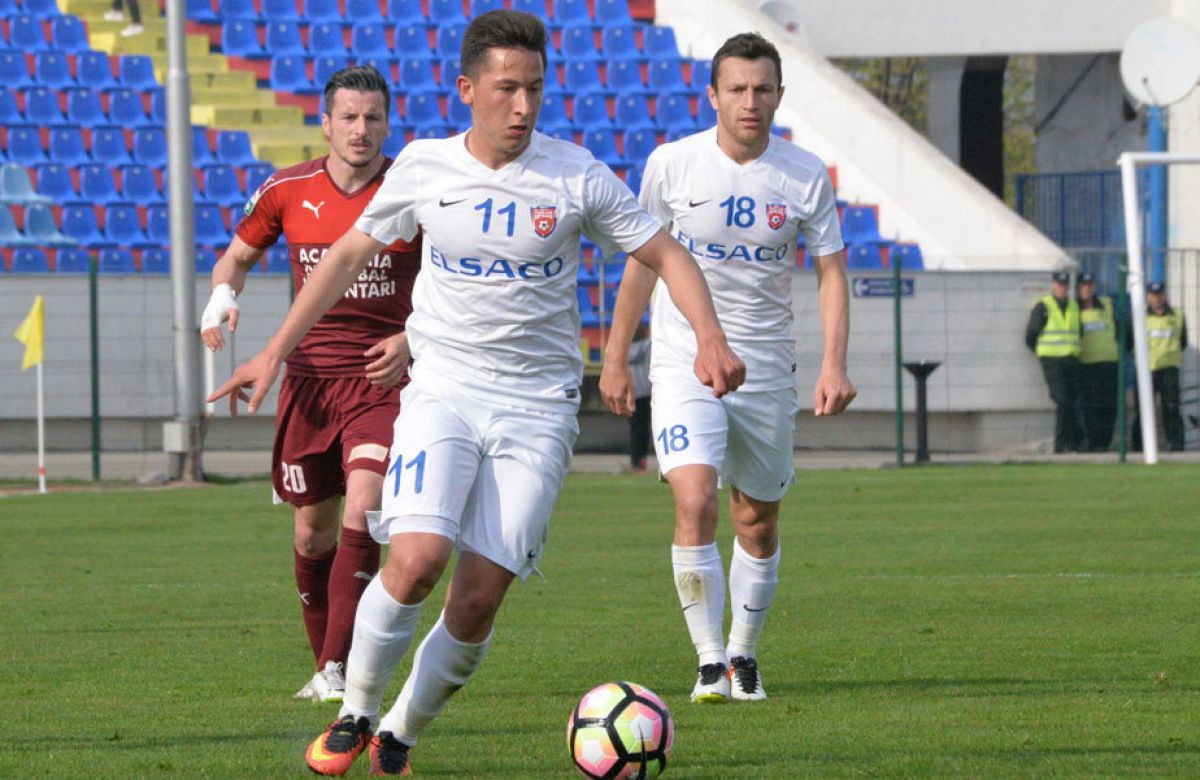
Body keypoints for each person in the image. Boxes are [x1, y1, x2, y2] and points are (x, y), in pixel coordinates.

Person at [208, 10, 744, 776]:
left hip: (537, 410)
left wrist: (711, 337)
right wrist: (272, 350)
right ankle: (356, 710)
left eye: (534, 89)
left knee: (478, 597)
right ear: (467, 89)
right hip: (444, 392)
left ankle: (399, 733)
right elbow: (346, 256)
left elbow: (667, 253)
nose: (522, 107)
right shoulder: (424, 168)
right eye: (506, 89)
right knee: (416, 559)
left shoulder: (576, 175)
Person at [599, 32, 855, 704]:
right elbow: (642, 262)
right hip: (683, 359)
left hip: (766, 364)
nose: (750, 101)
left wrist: (834, 363)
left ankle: (744, 653)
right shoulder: (672, 165)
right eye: (737, 89)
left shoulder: (804, 174)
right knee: (695, 498)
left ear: (779, 95)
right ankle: (709, 660)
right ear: (712, 95)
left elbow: (831, 271)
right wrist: (617, 355)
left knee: (756, 520)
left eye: (762, 89)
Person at [199, 66, 421, 704]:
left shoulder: (411, 190)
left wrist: (412, 339)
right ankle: (327, 666)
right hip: (309, 384)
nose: (360, 129)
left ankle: (336, 671)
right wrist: (221, 299)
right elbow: (235, 259)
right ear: (325, 124)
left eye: (372, 117)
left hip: (383, 380)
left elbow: (452, 279)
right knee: (310, 534)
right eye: (348, 117)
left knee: (365, 503)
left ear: (387, 124)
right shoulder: (287, 188)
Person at [1024, 271, 1082, 452]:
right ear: (1053, 285)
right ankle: (1062, 444)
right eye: (1059, 284)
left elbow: (1079, 332)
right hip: (1052, 361)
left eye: (1065, 285)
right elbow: (1031, 335)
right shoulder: (1043, 307)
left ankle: (1067, 443)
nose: (1062, 288)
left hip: (1071, 359)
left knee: (1071, 401)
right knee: (1062, 400)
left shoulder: (1073, 306)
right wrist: (1043, 353)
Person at [1131, 281, 1187, 452]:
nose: (1157, 298)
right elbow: (1129, 342)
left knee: (1171, 407)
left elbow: (1183, 341)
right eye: (1153, 295)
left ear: (1165, 295)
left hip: (1169, 368)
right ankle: (1139, 447)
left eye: (1159, 294)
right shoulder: (1140, 316)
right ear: (1148, 296)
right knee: (1143, 410)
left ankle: (1175, 445)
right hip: (1146, 369)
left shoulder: (1176, 315)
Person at [1076, 272, 1120, 451]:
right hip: (1087, 364)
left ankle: (1104, 443)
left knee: (1109, 406)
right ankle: (1093, 443)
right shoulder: (1074, 309)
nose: (1086, 289)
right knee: (1091, 406)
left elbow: (1120, 328)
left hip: (1109, 363)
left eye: (1089, 286)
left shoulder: (1106, 304)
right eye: (1082, 286)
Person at [627, 322, 652, 472]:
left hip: (630, 392)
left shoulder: (624, 350)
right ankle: (641, 461)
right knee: (643, 429)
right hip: (645, 391)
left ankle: (635, 461)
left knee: (635, 428)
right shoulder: (648, 346)